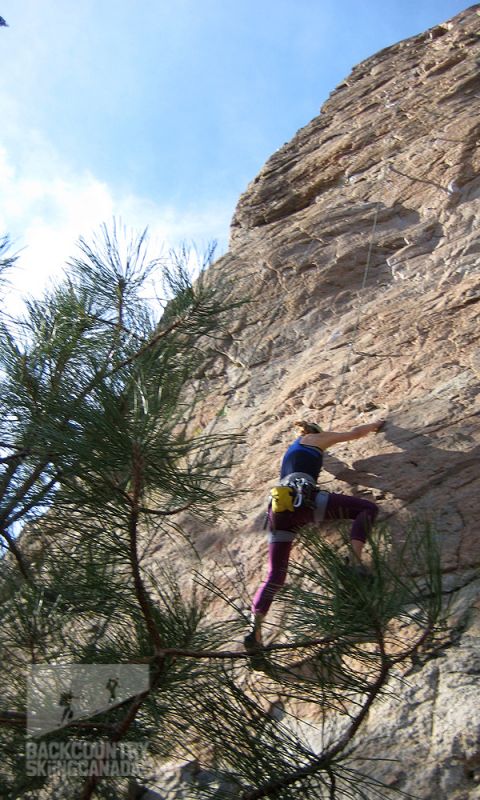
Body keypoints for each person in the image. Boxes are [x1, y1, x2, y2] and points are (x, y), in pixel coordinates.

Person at [244, 418, 384, 652]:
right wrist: (375, 425)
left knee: (275, 575)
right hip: (304, 500)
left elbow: (325, 463)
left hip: (279, 509)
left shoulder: (293, 451)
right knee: (367, 509)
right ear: (316, 433)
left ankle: (254, 629)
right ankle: (353, 560)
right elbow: (354, 432)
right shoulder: (314, 440)